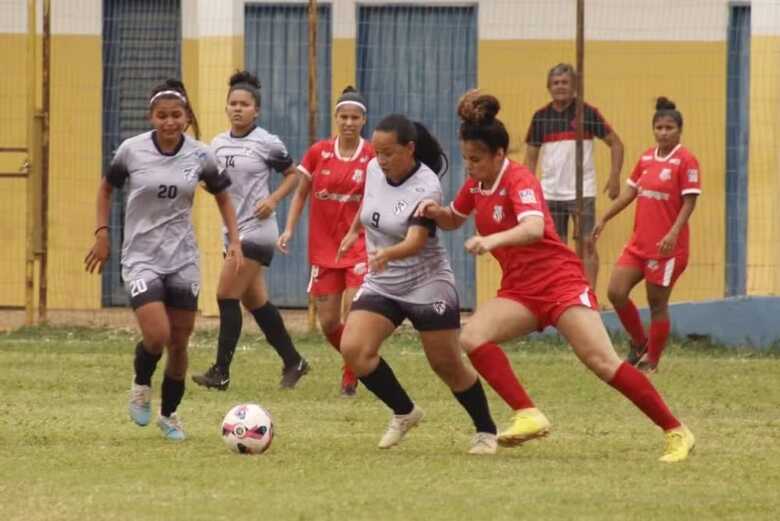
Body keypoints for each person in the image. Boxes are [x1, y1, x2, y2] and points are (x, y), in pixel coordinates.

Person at [417, 90, 695, 462]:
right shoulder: (476, 184)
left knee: (603, 363)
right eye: (466, 158)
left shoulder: (519, 180)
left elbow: (533, 228)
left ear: (500, 154)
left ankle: (677, 431)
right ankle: (528, 413)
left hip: (560, 283)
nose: (470, 166)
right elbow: (454, 217)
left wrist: (492, 239)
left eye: (477, 159)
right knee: (473, 336)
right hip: (519, 290)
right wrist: (435, 211)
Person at [84, 79, 244, 441]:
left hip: (182, 257)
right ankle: (141, 384)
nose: (169, 122)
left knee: (179, 342)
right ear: (151, 117)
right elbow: (106, 187)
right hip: (141, 256)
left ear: (187, 117)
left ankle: (170, 415)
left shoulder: (201, 154)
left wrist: (234, 239)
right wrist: (102, 232)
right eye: (162, 116)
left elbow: (222, 196)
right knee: (157, 334)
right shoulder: (131, 150)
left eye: (176, 115)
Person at [337, 114, 500, 455]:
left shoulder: (427, 186)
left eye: (388, 153)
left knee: (447, 364)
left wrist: (385, 254)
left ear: (409, 149)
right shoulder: (373, 169)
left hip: (427, 282)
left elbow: (414, 241)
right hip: (384, 283)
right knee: (354, 349)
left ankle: (486, 430)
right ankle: (404, 411)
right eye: (377, 152)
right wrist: (354, 231)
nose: (380, 161)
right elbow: (370, 206)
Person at [191, 71, 308, 391]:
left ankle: (221, 372)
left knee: (225, 295)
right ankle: (294, 361)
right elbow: (213, 183)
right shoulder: (217, 143)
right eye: (233, 103)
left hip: (258, 232)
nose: (238, 108)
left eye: (244, 104)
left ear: (256, 110)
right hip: (232, 233)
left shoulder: (266, 142)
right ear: (226, 108)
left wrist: (273, 200)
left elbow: (293, 175)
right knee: (256, 303)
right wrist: (204, 182)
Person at [591, 97, 700, 374]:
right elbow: (630, 192)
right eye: (659, 127)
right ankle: (640, 343)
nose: (663, 132)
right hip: (639, 244)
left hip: (666, 249)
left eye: (669, 128)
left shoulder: (686, 160)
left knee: (656, 303)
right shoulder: (647, 158)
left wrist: (674, 233)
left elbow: (689, 202)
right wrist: (604, 217)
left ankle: (651, 360)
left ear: (679, 130)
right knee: (616, 291)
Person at [277, 86, 374, 396]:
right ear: (336, 118)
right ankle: (355, 358)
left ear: (363, 120)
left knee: (353, 307)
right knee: (329, 322)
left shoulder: (371, 155)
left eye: (354, 117)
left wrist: (355, 231)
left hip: (358, 245)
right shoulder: (319, 152)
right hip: (323, 249)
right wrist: (289, 229)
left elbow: (375, 198)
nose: (348, 122)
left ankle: (351, 374)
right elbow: (301, 192)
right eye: (343, 116)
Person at [524, 63, 624, 288]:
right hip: (550, 193)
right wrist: (527, 190)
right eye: (556, 83)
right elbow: (530, 158)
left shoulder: (587, 113)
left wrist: (615, 176)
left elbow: (616, 143)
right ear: (549, 87)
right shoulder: (540, 117)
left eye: (565, 82)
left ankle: (589, 296)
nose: (560, 87)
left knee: (587, 242)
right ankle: (561, 292)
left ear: (575, 86)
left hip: (582, 192)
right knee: (556, 245)